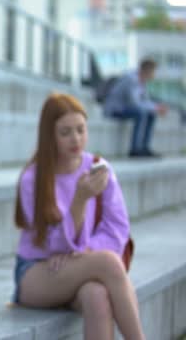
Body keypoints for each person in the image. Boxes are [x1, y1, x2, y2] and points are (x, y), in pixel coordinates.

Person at [13, 93, 145, 340]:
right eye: (65, 132)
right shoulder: (33, 178)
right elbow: (53, 247)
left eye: (81, 129)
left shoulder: (98, 168)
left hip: (80, 265)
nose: (76, 139)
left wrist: (83, 253)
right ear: (49, 135)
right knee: (107, 262)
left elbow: (117, 227)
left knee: (96, 295)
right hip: (38, 271)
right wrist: (79, 199)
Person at [103, 58, 168, 158]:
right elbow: (134, 103)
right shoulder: (131, 79)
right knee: (141, 112)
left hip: (127, 108)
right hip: (115, 109)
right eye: (153, 72)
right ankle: (135, 149)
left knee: (151, 114)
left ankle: (144, 148)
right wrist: (155, 108)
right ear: (148, 70)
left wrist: (156, 107)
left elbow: (145, 100)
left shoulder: (142, 82)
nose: (154, 75)